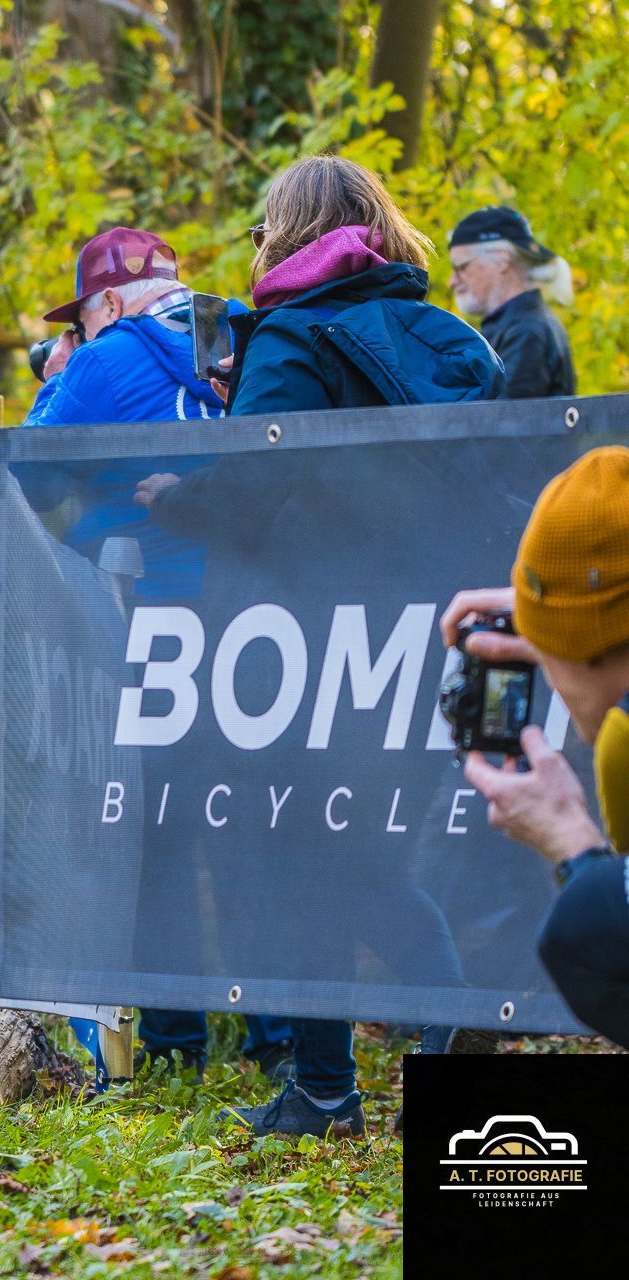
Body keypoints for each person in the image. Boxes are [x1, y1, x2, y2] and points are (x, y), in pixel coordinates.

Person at [138, 154, 502, 1139]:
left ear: (288, 233)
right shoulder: (442, 336)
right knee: (365, 864)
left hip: (305, 642)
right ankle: (449, 1022)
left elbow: (257, 489)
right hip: (423, 636)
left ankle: (329, 1089)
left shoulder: (293, 334)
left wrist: (177, 498)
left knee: (302, 861)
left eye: (264, 229)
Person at [18, 227, 295, 1079]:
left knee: (161, 827)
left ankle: (175, 1044)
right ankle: (281, 1037)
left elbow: (26, 472)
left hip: (157, 628)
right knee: (258, 825)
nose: (79, 334)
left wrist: (59, 380)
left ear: (105, 303)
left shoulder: (103, 360)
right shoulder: (250, 331)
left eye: (80, 319)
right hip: (269, 626)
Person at [443, 446, 629, 1046]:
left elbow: (602, 945)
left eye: (551, 650)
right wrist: (547, 610)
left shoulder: (623, 745)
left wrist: (572, 843)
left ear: (587, 642)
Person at [448, 207, 576, 399]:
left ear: (502, 260)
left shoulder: (526, 331)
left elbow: (500, 415)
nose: (453, 282)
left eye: (461, 267)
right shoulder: (517, 324)